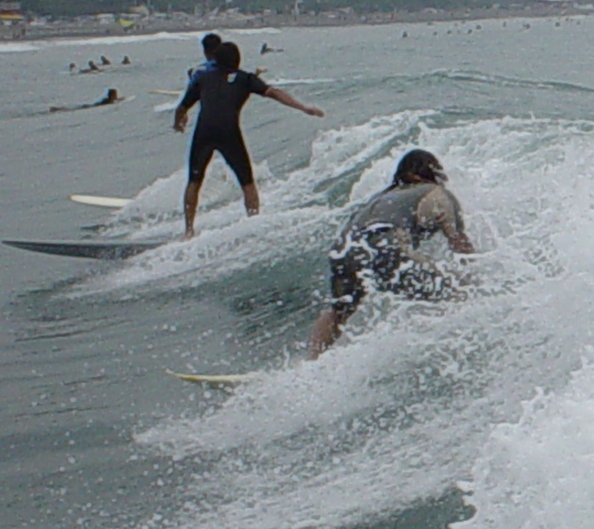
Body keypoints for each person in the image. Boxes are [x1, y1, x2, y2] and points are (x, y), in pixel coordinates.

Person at [308, 149, 474, 358]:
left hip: (344, 249)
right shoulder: (436, 192)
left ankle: (312, 362)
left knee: (339, 310)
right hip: (387, 244)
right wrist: (475, 278)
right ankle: (460, 351)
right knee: (458, 292)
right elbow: (460, 245)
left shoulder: (379, 197)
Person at [172, 40, 323, 238]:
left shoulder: (203, 78)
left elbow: (182, 107)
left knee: (194, 181)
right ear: (238, 59)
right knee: (247, 182)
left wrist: (178, 123)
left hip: (204, 132)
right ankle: (254, 223)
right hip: (229, 133)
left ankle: (189, 231)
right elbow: (274, 93)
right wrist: (304, 107)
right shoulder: (245, 79)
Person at [49, 88, 122, 113]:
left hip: (93, 105)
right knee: (72, 109)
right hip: (92, 106)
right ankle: (57, 109)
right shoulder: (109, 101)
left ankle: (57, 109)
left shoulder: (107, 100)